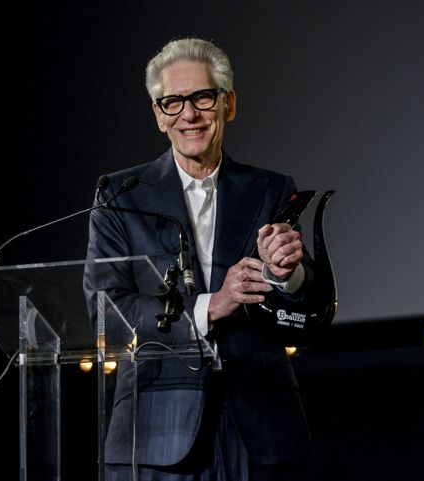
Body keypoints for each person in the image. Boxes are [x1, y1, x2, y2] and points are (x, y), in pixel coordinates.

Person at [84, 38, 319, 481]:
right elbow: (105, 311)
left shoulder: (270, 188)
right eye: (172, 102)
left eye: (202, 98)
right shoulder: (119, 195)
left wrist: (287, 274)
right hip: (156, 430)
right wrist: (210, 306)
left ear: (228, 104)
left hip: (261, 427)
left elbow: (302, 306)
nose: (188, 115)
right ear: (158, 115)